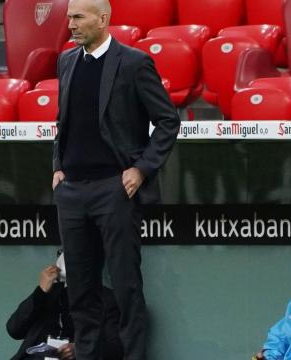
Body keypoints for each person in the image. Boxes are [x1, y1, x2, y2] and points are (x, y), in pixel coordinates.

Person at [51, 0, 180, 358]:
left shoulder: (134, 63)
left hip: (114, 188)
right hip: (72, 190)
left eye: (78, 17)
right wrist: (58, 165)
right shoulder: (66, 61)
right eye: (69, 18)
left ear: (103, 18)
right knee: (80, 290)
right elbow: (63, 121)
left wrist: (142, 169)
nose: (71, 25)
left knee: (125, 288)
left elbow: (168, 121)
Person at [6, 252, 123, 360]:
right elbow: (14, 330)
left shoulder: (106, 298)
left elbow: (116, 349)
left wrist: (80, 349)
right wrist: (41, 291)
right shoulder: (47, 293)